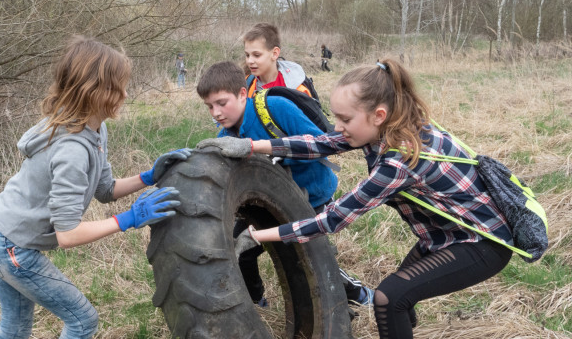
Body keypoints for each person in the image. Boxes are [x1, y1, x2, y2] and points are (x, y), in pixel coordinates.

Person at [198, 58, 514, 339]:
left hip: (480, 243)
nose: (338, 127)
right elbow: (319, 143)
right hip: (445, 234)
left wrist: (257, 236)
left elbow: (332, 219)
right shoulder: (392, 127)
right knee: (403, 293)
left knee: (389, 297)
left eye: (345, 120)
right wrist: (253, 147)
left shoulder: (399, 161)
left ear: (377, 115)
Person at [0, 35, 190, 339]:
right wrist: (130, 219)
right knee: (82, 321)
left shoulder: (95, 130)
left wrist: (148, 176)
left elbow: (104, 190)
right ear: (95, 91)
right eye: (119, 87)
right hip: (7, 245)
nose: (126, 94)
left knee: (12, 332)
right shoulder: (72, 150)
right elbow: (68, 234)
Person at [197, 60, 374, 309]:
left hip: (312, 195)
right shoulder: (226, 138)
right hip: (268, 204)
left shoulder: (274, 107)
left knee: (311, 255)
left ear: (240, 94)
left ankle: (357, 296)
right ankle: (256, 302)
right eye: (209, 106)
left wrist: (278, 156)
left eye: (221, 103)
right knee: (241, 248)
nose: (216, 112)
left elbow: (321, 142)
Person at [243, 23, 314, 98]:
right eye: (247, 55)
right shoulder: (247, 84)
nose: (250, 61)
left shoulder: (297, 90)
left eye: (257, 55)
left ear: (275, 53)